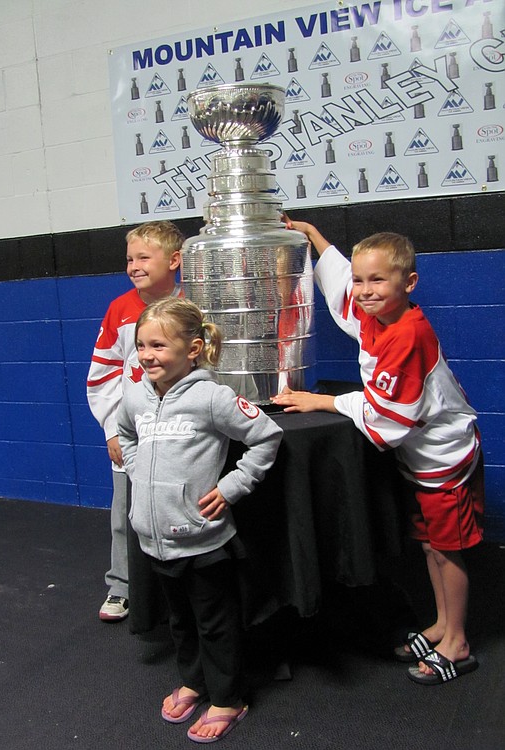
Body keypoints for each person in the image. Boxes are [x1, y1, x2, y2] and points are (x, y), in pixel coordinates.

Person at [272, 219, 484, 686]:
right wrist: (316, 238)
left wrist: (323, 401)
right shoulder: (377, 314)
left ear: (408, 283)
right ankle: (442, 626)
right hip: (424, 460)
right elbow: (343, 285)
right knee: (431, 547)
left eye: (378, 280)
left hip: (445, 459)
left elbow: (389, 420)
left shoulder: (408, 335)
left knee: (447, 553)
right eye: (362, 280)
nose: (364, 291)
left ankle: (459, 643)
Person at [117, 297, 283, 741]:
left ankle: (228, 699)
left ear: (193, 349)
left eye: (158, 346)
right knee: (180, 621)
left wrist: (233, 486)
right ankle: (195, 682)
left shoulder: (212, 397)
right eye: (141, 346)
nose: (147, 355)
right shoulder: (135, 395)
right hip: (155, 538)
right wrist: (135, 468)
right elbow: (124, 435)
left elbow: (266, 436)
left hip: (203, 540)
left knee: (215, 622)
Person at [87, 221, 182, 621]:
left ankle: (178, 586)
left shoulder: (192, 306)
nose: (134, 265)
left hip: (181, 434)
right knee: (125, 512)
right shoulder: (120, 310)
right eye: (130, 258)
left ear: (175, 260)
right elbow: (103, 373)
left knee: (180, 506)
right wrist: (112, 428)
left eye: (144, 257)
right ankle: (122, 586)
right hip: (133, 435)